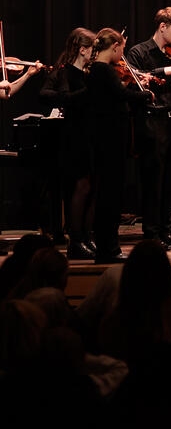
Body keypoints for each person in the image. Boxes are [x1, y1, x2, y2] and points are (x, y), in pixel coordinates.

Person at [124, 7, 171, 248]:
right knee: (154, 179)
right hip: (152, 122)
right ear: (163, 27)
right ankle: (151, 233)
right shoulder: (139, 51)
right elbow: (131, 79)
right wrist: (160, 70)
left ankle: (167, 229)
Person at [85, 28, 152, 261]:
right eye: (122, 49)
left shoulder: (98, 70)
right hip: (110, 141)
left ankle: (109, 247)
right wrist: (145, 95)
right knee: (110, 196)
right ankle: (108, 248)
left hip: (109, 140)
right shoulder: (103, 70)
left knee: (110, 195)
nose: (122, 54)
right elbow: (120, 95)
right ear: (115, 47)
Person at [39, 28, 97, 258]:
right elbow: (46, 95)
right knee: (81, 186)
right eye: (92, 49)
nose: (94, 54)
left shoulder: (91, 73)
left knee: (92, 187)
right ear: (83, 50)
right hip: (74, 135)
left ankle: (87, 235)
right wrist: (83, 95)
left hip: (91, 134)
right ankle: (76, 240)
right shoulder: (65, 72)